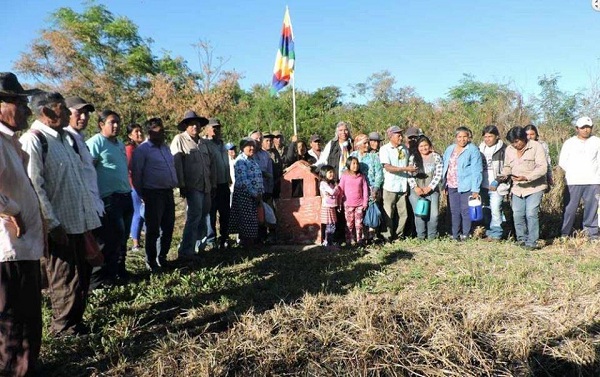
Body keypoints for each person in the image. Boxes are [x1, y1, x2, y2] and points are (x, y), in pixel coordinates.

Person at [20, 91, 101, 336]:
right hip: (59, 226)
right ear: (45, 112)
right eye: (62, 108)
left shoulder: (65, 139)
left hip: (79, 220)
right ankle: (63, 328)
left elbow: (77, 179)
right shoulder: (34, 140)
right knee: (64, 278)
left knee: (82, 275)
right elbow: (35, 186)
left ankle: (76, 322)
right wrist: (52, 224)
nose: (68, 113)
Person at [0, 72, 43, 375]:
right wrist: (14, 210)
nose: (27, 109)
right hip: (7, 250)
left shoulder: (9, 141)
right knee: (12, 324)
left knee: (27, 321)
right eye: (19, 102)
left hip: (23, 247)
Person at [86, 110, 133, 286]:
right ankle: (100, 279)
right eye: (112, 122)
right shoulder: (95, 142)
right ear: (101, 124)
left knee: (122, 237)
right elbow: (88, 169)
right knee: (109, 239)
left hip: (125, 195)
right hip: (108, 198)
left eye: (118, 122)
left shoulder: (119, 143)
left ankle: (118, 271)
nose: (116, 125)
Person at [131, 118, 178, 272]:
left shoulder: (165, 148)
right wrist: (142, 195)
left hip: (167, 192)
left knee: (168, 226)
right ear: (149, 132)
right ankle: (150, 261)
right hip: (152, 193)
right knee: (153, 229)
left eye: (163, 130)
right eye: (158, 131)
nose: (162, 133)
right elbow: (137, 174)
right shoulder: (142, 150)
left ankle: (162, 257)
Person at [170, 111, 213, 260]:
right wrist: (181, 184)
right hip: (192, 186)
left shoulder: (203, 143)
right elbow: (177, 164)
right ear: (186, 126)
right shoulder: (179, 139)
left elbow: (209, 165)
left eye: (197, 123)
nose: (195, 126)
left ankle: (199, 248)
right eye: (191, 124)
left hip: (206, 186)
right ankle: (186, 251)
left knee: (203, 217)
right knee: (194, 217)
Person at [500, 126, 547, 249]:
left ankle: (532, 242)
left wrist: (526, 177)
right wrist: (504, 175)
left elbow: (542, 168)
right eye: (512, 142)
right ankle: (522, 239)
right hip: (517, 188)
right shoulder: (509, 150)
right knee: (517, 214)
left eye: (517, 141)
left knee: (531, 213)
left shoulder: (536, 147)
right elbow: (507, 166)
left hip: (534, 187)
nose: (515, 145)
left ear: (524, 138)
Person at [558, 116, 600, 240]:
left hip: (593, 181)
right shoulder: (569, 143)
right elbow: (562, 162)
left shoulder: (597, 141)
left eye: (588, 127)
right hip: (573, 181)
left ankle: (591, 235)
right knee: (569, 210)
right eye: (583, 127)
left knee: (592, 210)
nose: (586, 130)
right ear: (577, 128)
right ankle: (565, 234)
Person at [64, 96, 104, 219]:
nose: (83, 117)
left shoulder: (79, 138)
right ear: (67, 114)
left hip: (93, 205)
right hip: (82, 209)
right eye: (79, 113)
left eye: (86, 113)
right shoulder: (66, 139)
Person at [442, 126, 483, 241]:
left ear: (469, 137)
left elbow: (477, 170)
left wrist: (475, 189)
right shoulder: (450, 149)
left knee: (465, 211)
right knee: (454, 211)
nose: (462, 139)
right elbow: (445, 166)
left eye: (465, 136)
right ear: (456, 138)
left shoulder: (473, 150)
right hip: (451, 185)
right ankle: (455, 234)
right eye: (459, 137)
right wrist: (444, 184)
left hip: (466, 185)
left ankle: (466, 234)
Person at [379, 126, 417, 242]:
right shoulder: (385, 149)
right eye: (398, 135)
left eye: (401, 135)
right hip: (390, 186)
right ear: (391, 136)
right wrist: (405, 168)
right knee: (388, 214)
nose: (401, 137)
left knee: (403, 214)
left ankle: (398, 236)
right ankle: (387, 237)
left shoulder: (405, 149)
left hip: (402, 186)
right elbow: (388, 167)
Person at [229, 138, 264, 249]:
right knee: (246, 220)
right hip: (245, 195)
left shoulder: (252, 160)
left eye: (253, 146)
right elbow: (244, 180)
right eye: (249, 146)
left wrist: (260, 192)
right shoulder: (240, 161)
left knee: (253, 219)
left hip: (254, 196)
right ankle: (246, 245)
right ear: (242, 148)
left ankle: (251, 243)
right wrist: (255, 193)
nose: (252, 148)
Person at [203, 118, 232, 250]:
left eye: (218, 128)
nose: (215, 130)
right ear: (207, 130)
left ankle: (225, 237)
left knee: (225, 212)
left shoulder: (222, 145)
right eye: (212, 128)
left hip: (224, 183)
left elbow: (226, 164)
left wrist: (229, 178)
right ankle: (211, 239)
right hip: (213, 185)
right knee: (211, 213)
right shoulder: (205, 144)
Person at [408, 136, 443, 240]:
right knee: (419, 214)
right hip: (416, 190)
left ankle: (432, 236)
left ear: (430, 146)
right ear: (418, 147)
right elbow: (409, 174)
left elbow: (438, 174)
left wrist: (430, 187)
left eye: (426, 145)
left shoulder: (436, 157)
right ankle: (421, 237)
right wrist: (415, 188)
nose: (424, 148)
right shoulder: (413, 157)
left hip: (431, 190)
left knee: (434, 215)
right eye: (421, 146)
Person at [350, 133, 383, 242]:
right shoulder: (353, 155)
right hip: (356, 189)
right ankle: (360, 237)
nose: (367, 145)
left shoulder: (374, 157)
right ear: (358, 144)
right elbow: (346, 170)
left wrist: (376, 188)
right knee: (359, 212)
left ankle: (371, 237)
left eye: (367, 143)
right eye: (364, 143)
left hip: (371, 189)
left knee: (371, 212)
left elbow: (379, 174)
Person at [478, 125, 507, 240]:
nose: (487, 139)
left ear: (497, 136)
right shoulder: (479, 149)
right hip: (483, 184)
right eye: (485, 137)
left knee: (495, 209)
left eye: (490, 136)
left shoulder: (503, 149)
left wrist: (497, 181)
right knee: (486, 209)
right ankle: (489, 231)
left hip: (497, 186)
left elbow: (507, 168)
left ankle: (497, 233)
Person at [249, 131, 275, 244]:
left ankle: (266, 237)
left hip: (266, 189)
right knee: (255, 214)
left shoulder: (266, 155)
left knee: (266, 214)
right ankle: (255, 239)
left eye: (260, 139)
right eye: (256, 139)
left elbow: (270, 173)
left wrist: (270, 189)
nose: (258, 141)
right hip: (252, 191)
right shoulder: (249, 154)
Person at [339, 156, 369, 246]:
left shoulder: (361, 177)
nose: (356, 166)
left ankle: (359, 240)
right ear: (348, 164)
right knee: (349, 224)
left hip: (359, 204)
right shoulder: (344, 176)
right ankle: (349, 240)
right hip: (348, 204)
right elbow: (341, 189)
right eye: (353, 163)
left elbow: (365, 190)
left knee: (359, 224)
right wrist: (340, 201)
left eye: (357, 163)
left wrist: (365, 202)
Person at [125, 123, 145, 252]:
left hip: (143, 184)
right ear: (130, 135)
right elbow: (131, 169)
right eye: (136, 132)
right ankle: (135, 243)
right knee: (137, 213)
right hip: (134, 186)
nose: (139, 134)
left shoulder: (141, 148)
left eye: (140, 131)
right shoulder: (130, 149)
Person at [319, 165, 341, 250]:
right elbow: (332, 192)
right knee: (330, 226)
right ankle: (328, 243)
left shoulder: (331, 183)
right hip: (327, 207)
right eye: (330, 172)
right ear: (324, 173)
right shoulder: (323, 183)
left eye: (333, 172)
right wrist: (336, 187)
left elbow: (337, 192)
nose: (332, 174)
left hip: (331, 206)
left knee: (332, 225)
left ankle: (329, 242)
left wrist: (335, 188)